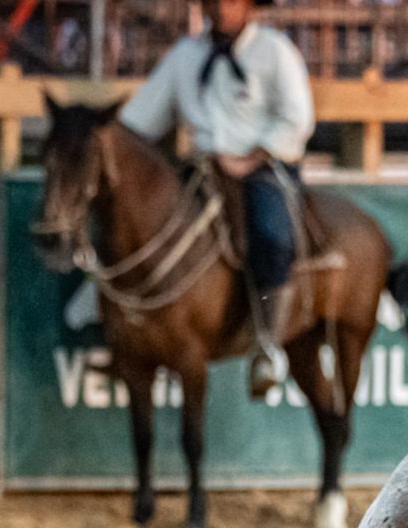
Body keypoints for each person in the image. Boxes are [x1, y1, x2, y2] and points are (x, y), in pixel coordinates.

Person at [119, 0, 314, 399]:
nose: (221, 8)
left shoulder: (274, 51)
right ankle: (120, 332)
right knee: (138, 226)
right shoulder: (186, 56)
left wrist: (254, 156)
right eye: (214, 1)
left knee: (270, 235)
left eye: (231, 0)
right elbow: (140, 119)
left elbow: (297, 118)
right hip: (201, 167)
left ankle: (268, 345)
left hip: (263, 166)